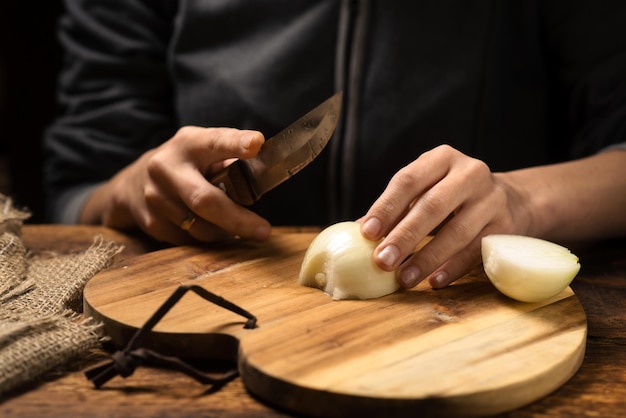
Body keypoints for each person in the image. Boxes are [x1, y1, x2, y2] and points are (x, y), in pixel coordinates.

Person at [43, 0, 626, 291]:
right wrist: (131, 190)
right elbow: (76, 190)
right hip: (208, 303)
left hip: (464, 312)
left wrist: (523, 201)